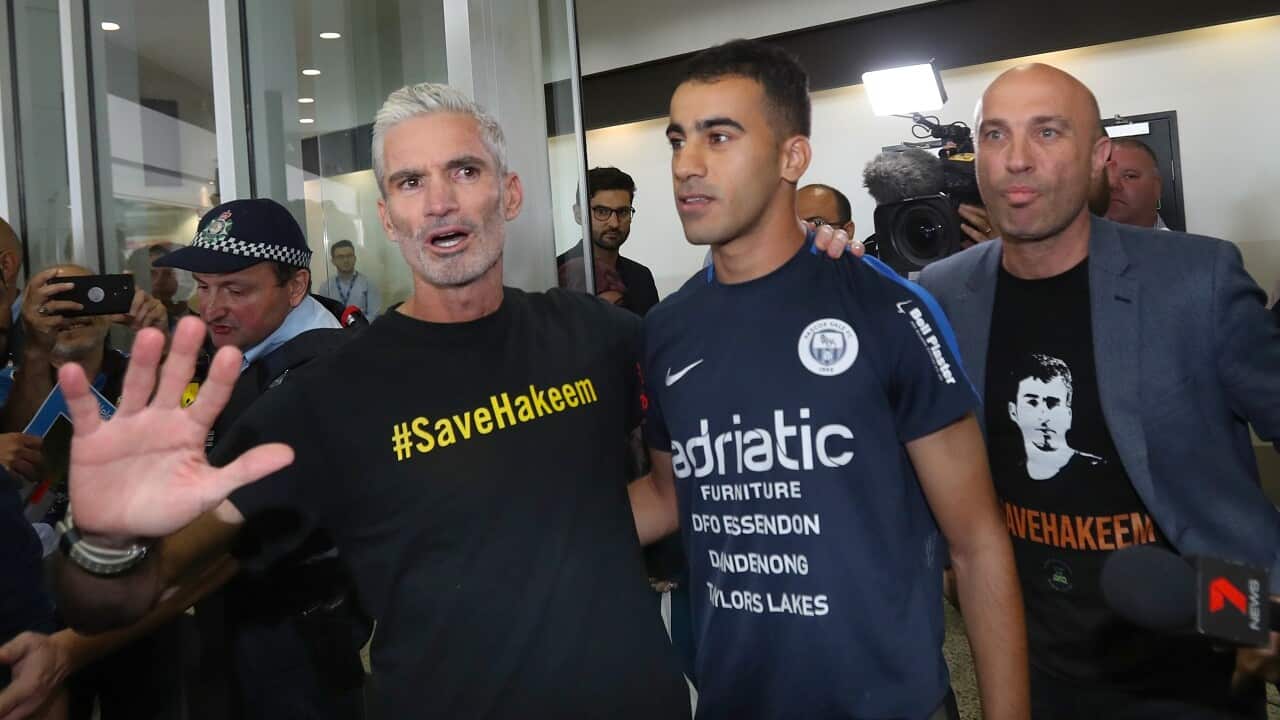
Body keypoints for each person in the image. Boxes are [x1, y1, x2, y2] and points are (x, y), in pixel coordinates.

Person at [39, 83, 690, 720]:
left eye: (464, 170)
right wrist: (105, 541)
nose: (438, 202)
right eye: (409, 182)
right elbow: (129, 594)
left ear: (509, 194)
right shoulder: (324, 396)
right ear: (387, 216)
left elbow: (675, 480)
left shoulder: (597, 334)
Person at [629, 39, 1027, 720]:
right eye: (677, 140)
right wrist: (531, 542)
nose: (687, 166)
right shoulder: (668, 331)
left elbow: (977, 540)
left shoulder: (887, 309)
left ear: (792, 156)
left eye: (719, 136)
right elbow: (670, 493)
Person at [872, 62, 1280, 718]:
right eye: (997, 137)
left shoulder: (1196, 280)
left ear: (1097, 156)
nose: (1018, 160)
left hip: (1195, 658)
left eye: (1049, 132)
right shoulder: (943, 292)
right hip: (1032, 662)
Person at [558, 167, 661, 316]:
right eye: (602, 212)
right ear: (579, 214)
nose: (614, 223)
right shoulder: (559, 273)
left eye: (623, 212)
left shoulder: (641, 277)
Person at [1105, 137, 1167, 230]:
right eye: (1105, 177)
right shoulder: (1081, 243)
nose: (1113, 184)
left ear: (1157, 187)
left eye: (1129, 176)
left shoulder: (1183, 244)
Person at [320, 240, 382, 318]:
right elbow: (324, 316)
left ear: (355, 258)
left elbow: (374, 315)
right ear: (333, 261)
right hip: (336, 329)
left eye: (349, 256)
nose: (346, 260)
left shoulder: (368, 284)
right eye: (340, 257)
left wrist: (356, 327)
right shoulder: (326, 287)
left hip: (362, 329)